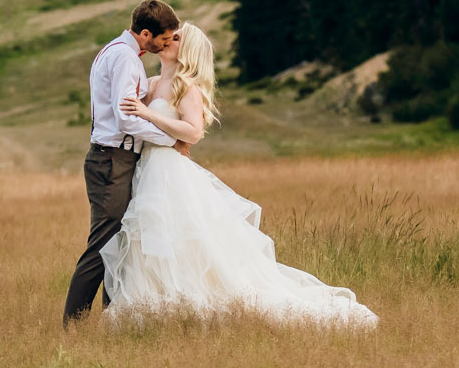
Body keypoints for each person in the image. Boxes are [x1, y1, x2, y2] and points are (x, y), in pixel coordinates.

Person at [102, 21, 377, 329]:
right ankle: (153, 305)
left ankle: (183, 303)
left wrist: (148, 113)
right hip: (145, 170)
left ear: (188, 49)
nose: (168, 40)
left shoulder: (186, 87)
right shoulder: (151, 83)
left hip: (169, 174)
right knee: (146, 240)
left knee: (175, 237)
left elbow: (192, 132)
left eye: (176, 37)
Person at [62, 0, 179, 325]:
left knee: (119, 244)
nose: (166, 44)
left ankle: (112, 319)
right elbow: (126, 119)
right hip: (113, 160)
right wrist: (170, 139)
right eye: (164, 39)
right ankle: (73, 327)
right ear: (145, 33)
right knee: (102, 246)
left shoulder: (116, 51)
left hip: (115, 158)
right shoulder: (126, 59)